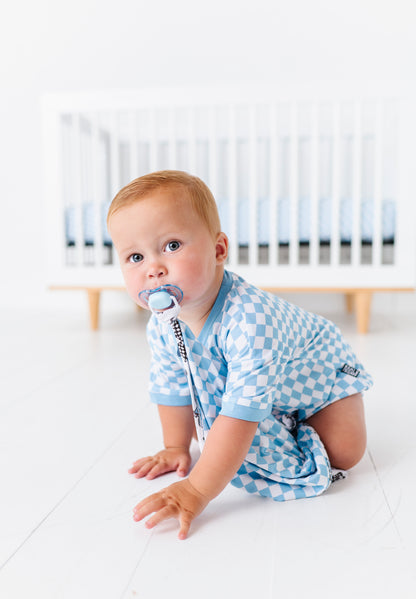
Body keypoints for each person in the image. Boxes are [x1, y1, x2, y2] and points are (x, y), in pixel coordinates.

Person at [107, 170, 373, 540]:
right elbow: (171, 382)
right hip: (269, 383)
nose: (153, 268)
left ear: (218, 250)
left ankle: (297, 415)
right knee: (210, 439)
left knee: (346, 452)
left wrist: (196, 490)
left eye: (171, 246)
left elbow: (238, 418)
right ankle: (276, 414)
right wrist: (175, 446)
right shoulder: (164, 322)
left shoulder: (250, 321)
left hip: (321, 376)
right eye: (135, 257)